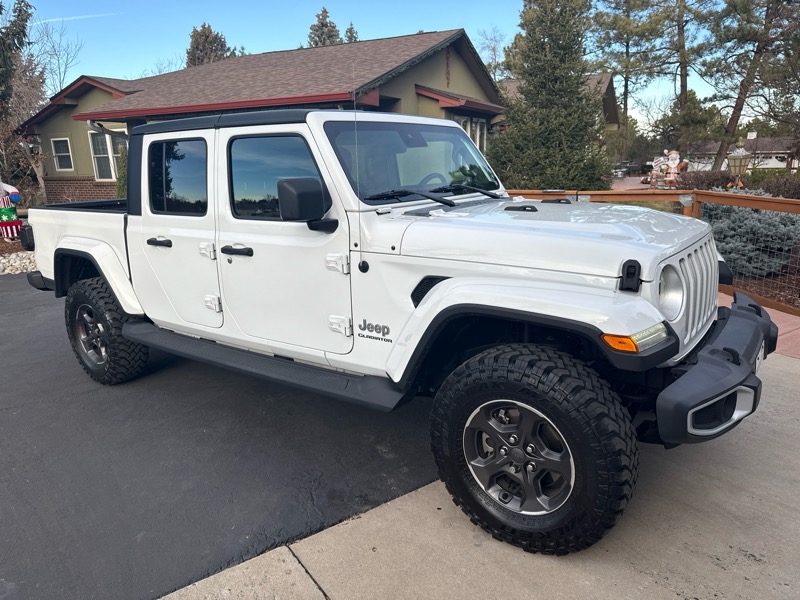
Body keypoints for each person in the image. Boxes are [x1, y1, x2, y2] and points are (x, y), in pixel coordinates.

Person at [0, 177, 23, 242]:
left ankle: (13, 234)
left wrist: (14, 193)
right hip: (4, 205)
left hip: (5, 205)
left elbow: (11, 189)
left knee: (9, 219)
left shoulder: (1, 185)